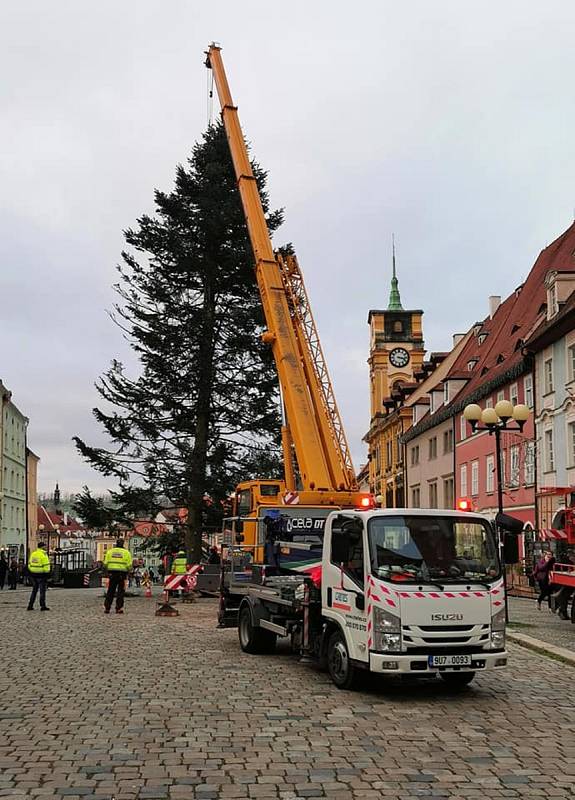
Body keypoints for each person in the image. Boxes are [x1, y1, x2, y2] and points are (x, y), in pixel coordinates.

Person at [103, 539, 133, 614]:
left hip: (112, 573)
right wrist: (129, 572)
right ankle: (119, 608)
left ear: (116, 543)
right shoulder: (126, 553)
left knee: (110, 591)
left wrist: (107, 572)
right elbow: (129, 565)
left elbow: (105, 564)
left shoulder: (110, 551)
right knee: (120, 591)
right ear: (123, 544)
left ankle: (107, 607)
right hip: (122, 574)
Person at [27, 542, 51, 611]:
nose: (46, 547)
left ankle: (30, 605)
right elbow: (46, 566)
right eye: (45, 546)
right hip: (41, 575)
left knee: (34, 591)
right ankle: (42, 606)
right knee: (42, 591)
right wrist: (47, 573)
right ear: (43, 547)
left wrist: (32, 570)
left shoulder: (33, 554)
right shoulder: (43, 554)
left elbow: (29, 564)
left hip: (33, 575)